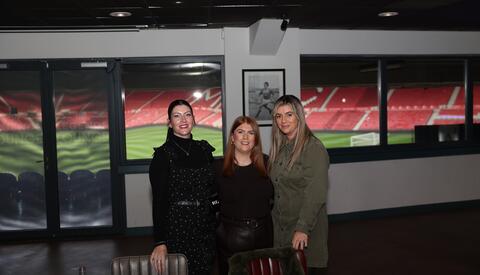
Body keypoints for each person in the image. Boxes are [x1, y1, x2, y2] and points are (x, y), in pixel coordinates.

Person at [149, 99, 217, 275]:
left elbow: (214, 190)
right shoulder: (162, 156)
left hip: (205, 229)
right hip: (177, 230)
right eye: (177, 116)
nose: (183, 120)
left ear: (194, 119)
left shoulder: (204, 149)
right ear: (169, 123)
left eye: (187, 115)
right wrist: (160, 242)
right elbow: (159, 202)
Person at [268, 95, 330, 275]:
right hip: (282, 229)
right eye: (278, 116)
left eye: (289, 114)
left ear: (299, 117)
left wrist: (302, 228)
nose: (283, 120)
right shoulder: (280, 147)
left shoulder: (313, 148)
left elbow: (316, 193)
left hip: (303, 232)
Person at [216, 116, 274, 275]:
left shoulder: (268, 164)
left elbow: (275, 199)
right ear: (232, 137)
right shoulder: (218, 168)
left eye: (251, 132)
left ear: (256, 139)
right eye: (240, 132)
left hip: (264, 236)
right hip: (231, 240)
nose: (245, 137)